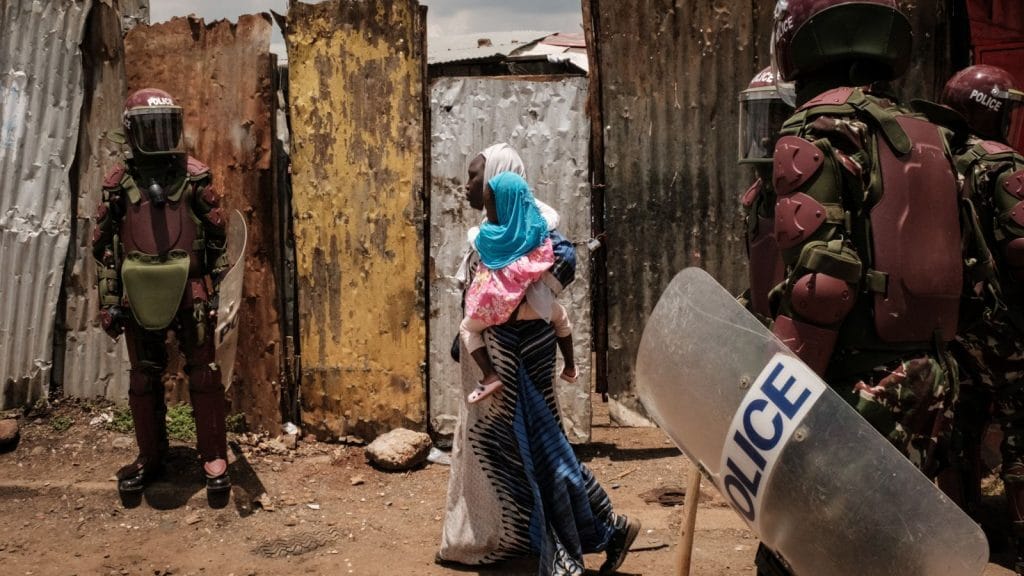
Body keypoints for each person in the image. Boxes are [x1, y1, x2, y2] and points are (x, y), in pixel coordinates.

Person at [760, 0, 966, 571]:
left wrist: (774, 398)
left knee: (799, 551)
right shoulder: (929, 133)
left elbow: (821, 286)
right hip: (933, 379)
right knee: (901, 549)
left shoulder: (816, 128)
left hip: (855, 392)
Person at [439, 145, 638, 576]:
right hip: (489, 361)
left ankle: (590, 533)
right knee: (517, 453)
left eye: (477, 177)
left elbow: (550, 285)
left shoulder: (540, 233)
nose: (469, 184)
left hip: (517, 358)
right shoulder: (496, 231)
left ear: (497, 181)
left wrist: (510, 300)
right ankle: (507, 540)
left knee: (543, 452)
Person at [92, 88, 231, 500]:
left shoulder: (194, 175)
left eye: (164, 126)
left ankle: (214, 456)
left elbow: (219, 237)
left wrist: (217, 288)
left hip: (190, 288)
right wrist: (110, 301)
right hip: (138, 291)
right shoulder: (118, 184)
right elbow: (105, 249)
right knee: (142, 379)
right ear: (131, 131)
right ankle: (151, 457)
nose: (158, 136)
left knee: (204, 374)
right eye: (149, 128)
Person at [934, 64, 1024, 572]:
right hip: (1005, 323)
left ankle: (963, 532)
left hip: (955, 321)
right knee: (1020, 423)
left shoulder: (937, 160)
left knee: (962, 423)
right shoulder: (1006, 165)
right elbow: (1018, 246)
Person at [459, 171, 578, 403]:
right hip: (534, 308)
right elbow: (551, 222)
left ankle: (490, 375)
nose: (488, 210)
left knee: (467, 329)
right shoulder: (536, 233)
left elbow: (474, 238)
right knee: (561, 318)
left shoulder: (489, 237)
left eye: (490, 205)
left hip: (497, 311)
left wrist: (474, 231)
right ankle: (571, 368)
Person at [737, 66, 791, 320]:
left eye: (777, 115)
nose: (766, 131)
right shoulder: (758, 198)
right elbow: (765, 279)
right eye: (760, 118)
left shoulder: (811, 198)